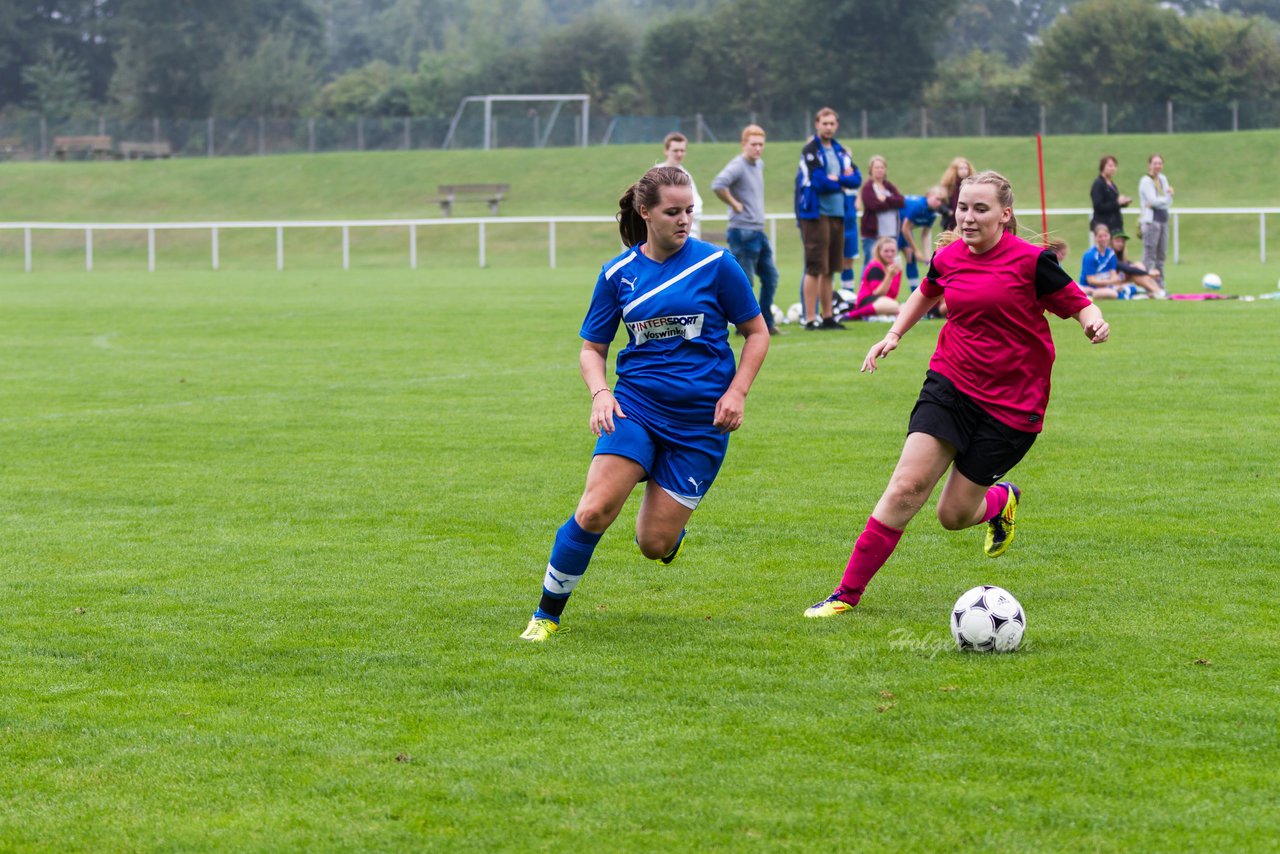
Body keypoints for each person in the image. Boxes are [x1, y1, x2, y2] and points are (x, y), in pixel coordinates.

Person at [803, 170, 1110, 618]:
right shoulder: (948, 257)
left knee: (952, 516)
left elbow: (1079, 302)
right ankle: (845, 594)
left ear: (1004, 215)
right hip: (951, 384)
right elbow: (924, 293)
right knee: (907, 487)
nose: (967, 217)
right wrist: (893, 334)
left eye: (980, 209)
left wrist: (1091, 322)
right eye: (963, 208)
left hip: (1012, 407)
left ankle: (1002, 501)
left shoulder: (1031, 261)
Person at [519, 166, 770, 642]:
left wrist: (737, 391)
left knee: (654, 545)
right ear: (645, 212)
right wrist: (600, 394)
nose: (684, 221)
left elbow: (756, 334)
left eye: (689, 211)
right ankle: (546, 615)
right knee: (594, 510)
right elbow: (592, 349)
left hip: (700, 424)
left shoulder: (717, 265)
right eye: (672, 212)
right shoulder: (618, 274)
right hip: (635, 408)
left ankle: (663, 519)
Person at [794, 107, 862, 330]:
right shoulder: (810, 149)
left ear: (837, 125)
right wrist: (842, 180)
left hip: (838, 213)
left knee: (831, 267)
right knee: (815, 266)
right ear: (817, 124)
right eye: (825, 123)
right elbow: (819, 181)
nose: (829, 127)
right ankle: (810, 318)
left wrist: (838, 178)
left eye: (832, 123)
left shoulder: (840, 150)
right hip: (816, 214)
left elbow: (857, 179)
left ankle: (828, 316)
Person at [712, 124, 779, 335]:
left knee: (771, 277)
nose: (758, 148)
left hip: (758, 230)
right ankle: (744, 326)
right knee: (745, 281)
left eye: (761, 144)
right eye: (754, 144)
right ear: (744, 145)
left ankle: (766, 322)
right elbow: (718, 184)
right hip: (742, 231)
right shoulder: (738, 165)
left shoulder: (759, 164)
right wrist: (734, 203)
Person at [837, 236, 902, 321]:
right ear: (879, 251)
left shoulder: (896, 267)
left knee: (905, 307)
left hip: (884, 301)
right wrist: (889, 276)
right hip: (868, 300)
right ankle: (851, 315)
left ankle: (874, 315)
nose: (890, 254)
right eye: (886, 251)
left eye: (893, 251)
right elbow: (877, 293)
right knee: (895, 306)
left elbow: (893, 293)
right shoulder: (875, 267)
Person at [899, 185, 947, 292]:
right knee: (891, 260)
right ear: (928, 195)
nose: (939, 203)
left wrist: (928, 257)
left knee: (910, 258)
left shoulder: (933, 213)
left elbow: (925, 235)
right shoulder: (919, 205)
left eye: (942, 201)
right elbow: (905, 228)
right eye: (937, 199)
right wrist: (916, 250)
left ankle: (913, 293)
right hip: (895, 227)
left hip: (904, 229)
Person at [859, 155, 905, 266]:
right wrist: (891, 203)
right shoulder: (868, 187)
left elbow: (901, 202)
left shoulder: (889, 186)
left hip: (890, 232)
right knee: (870, 263)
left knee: (889, 264)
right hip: (873, 234)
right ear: (871, 170)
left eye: (882, 167)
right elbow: (873, 205)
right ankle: (865, 284)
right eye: (876, 167)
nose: (879, 170)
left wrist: (886, 199)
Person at [1138, 153, 1173, 289]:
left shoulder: (1163, 179)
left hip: (1163, 219)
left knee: (1161, 255)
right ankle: (1145, 284)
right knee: (1149, 254)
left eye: (1160, 163)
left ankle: (1160, 284)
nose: (1158, 166)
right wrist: (1165, 198)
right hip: (1151, 221)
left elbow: (1166, 201)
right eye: (1155, 163)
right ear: (1149, 165)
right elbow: (1153, 200)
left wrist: (1163, 200)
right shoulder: (1146, 181)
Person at [660, 132, 703, 239]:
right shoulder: (656, 174)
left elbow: (696, 207)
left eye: (682, 151)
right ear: (666, 151)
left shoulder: (687, 176)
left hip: (687, 235)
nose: (679, 154)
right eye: (675, 150)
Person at [1110, 229, 1164, 296]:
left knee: (1137, 265)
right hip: (1111, 284)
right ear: (1111, 242)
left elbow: (1129, 266)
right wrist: (1148, 272)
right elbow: (1127, 269)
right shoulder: (1110, 255)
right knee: (1135, 273)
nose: (1120, 244)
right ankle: (1157, 291)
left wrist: (1144, 271)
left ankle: (1158, 290)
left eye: (1122, 241)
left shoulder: (1120, 256)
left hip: (1121, 281)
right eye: (1117, 241)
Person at [1077, 223, 1125, 300]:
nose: (1103, 239)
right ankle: (1094, 295)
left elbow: (1113, 274)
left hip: (1105, 286)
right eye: (1100, 236)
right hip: (1089, 287)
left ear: (1109, 236)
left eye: (1105, 236)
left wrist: (1113, 281)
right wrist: (1110, 282)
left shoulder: (1111, 253)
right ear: (1095, 237)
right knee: (1114, 294)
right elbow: (1091, 280)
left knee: (1123, 289)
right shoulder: (1090, 255)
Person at [1090, 154, 1131, 235]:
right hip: (1104, 227)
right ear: (1102, 167)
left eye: (1115, 166)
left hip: (1115, 226)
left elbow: (1113, 203)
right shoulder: (1099, 184)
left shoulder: (1111, 184)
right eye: (1110, 166)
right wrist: (1117, 203)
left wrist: (1123, 202)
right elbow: (1098, 206)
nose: (1113, 169)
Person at [938, 156, 974, 232]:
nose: (964, 171)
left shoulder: (972, 186)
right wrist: (948, 212)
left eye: (966, 168)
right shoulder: (948, 186)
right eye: (961, 168)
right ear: (955, 170)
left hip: (966, 221)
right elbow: (939, 204)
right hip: (950, 223)